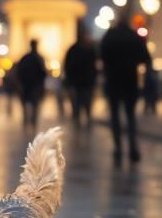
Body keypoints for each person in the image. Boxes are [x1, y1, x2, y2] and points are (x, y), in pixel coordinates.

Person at [100, 14, 150, 164]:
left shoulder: (109, 37)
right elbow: (145, 58)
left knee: (115, 116)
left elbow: (101, 56)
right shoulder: (134, 37)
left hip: (113, 80)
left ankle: (118, 148)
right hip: (130, 80)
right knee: (130, 116)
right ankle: (133, 147)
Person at [63, 23, 97, 125]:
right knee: (86, 103)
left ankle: (79, 120)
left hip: (79, 82)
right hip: (85, 82)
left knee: (78, 103)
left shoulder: (72, 50)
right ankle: (86, 119)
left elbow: (67, 66)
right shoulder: (89, 49)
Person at [16, 39, 48, 127]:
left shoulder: (25, 58)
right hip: (34, 86)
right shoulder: (39, 58)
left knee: (27, 105)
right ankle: (33, 121)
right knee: (35, 105)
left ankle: (27, 120)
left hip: (27, 85)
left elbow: (19, 71)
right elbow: (43, 73)